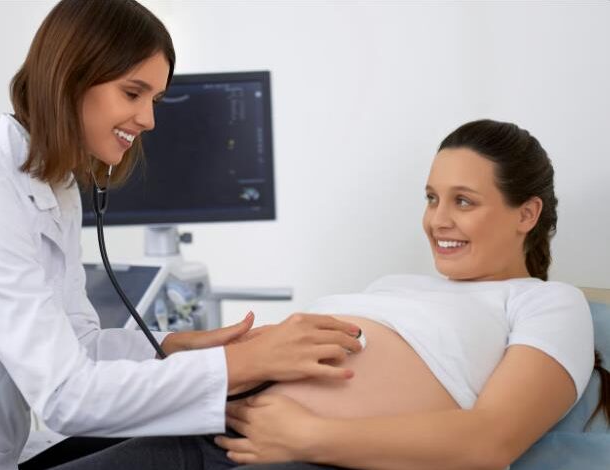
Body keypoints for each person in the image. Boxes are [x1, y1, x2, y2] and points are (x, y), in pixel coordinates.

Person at [0, 1, 363, 469]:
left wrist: (181, 346)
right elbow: (66, 397)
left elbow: (80, 345)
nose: (149, 119)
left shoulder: (56, 188)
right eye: (133, 93)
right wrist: (246, 364)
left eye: (154, 100)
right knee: (211, 448)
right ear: (69, 78)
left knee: (214, 433)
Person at [213, 119, 610, 469]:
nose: (437, 220)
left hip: (315, 457)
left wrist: (306, 435)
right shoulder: (393, 285)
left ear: (526, 214)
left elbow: (491, 440)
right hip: (215, 420)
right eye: (432, 198)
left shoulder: (548, 302)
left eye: (463, 201)